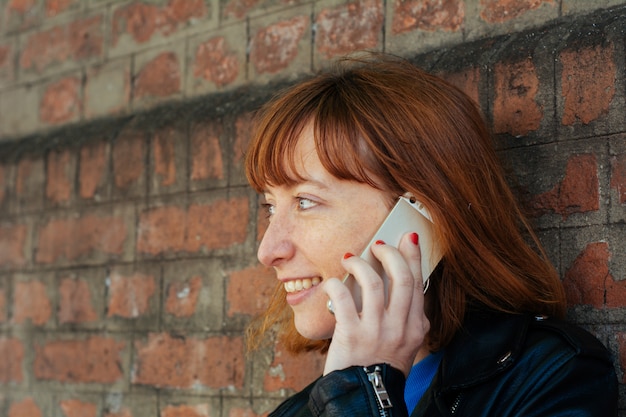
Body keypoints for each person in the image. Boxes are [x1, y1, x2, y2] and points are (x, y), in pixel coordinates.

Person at [244, 53, 618, 416]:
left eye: (305, 201)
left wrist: (365, 395)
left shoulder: (548, 377)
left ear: (421, 217)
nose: (268, 250)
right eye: (271, 206)